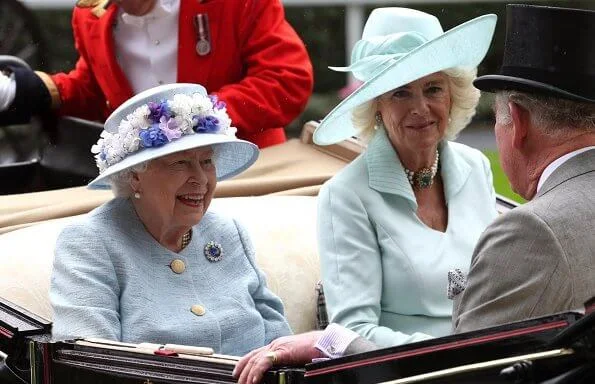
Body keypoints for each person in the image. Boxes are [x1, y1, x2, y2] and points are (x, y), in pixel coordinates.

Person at [49, 83, 292, 356]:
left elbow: (277, 336)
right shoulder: (89, 243)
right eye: (180, 163)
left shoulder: (228, 231)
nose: (200, 179)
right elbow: (89, 361)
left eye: (206, 162)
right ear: (135, 176)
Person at [314, 8, 498, 348]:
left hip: (492, 361)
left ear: (453, 95)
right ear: (377, 106)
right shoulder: (345, 195)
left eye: (433, 89)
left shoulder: (476, 168)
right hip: (408, 377)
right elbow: (353, 330)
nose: (421, 108)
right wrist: (452, 355)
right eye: (400, 92)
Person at [452, 4, 595, 333]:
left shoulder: (529, 233)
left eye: (495, 121)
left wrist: (339, 343)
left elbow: (462, 374)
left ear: (518, 122)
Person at [0, 0, 313, 148]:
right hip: (151, 194)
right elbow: (98, 90)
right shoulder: (90, 16)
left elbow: (287, 80)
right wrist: (31, 90)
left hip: (244, 173)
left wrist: (192, 116)